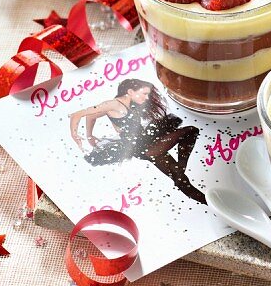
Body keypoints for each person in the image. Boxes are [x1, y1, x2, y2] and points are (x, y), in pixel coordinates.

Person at [68, 78, 205, 204]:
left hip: (147, 142)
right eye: (144, 93)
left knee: (180, 179)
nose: (146, 98)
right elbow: (79, 114)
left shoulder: (129, 105)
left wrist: (90, 135)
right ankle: (181, 168)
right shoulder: (113, 104)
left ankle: (207, 201)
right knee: (190, 131)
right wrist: (81, 136)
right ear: (130, 91)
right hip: (143, 147)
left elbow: (92, 117)